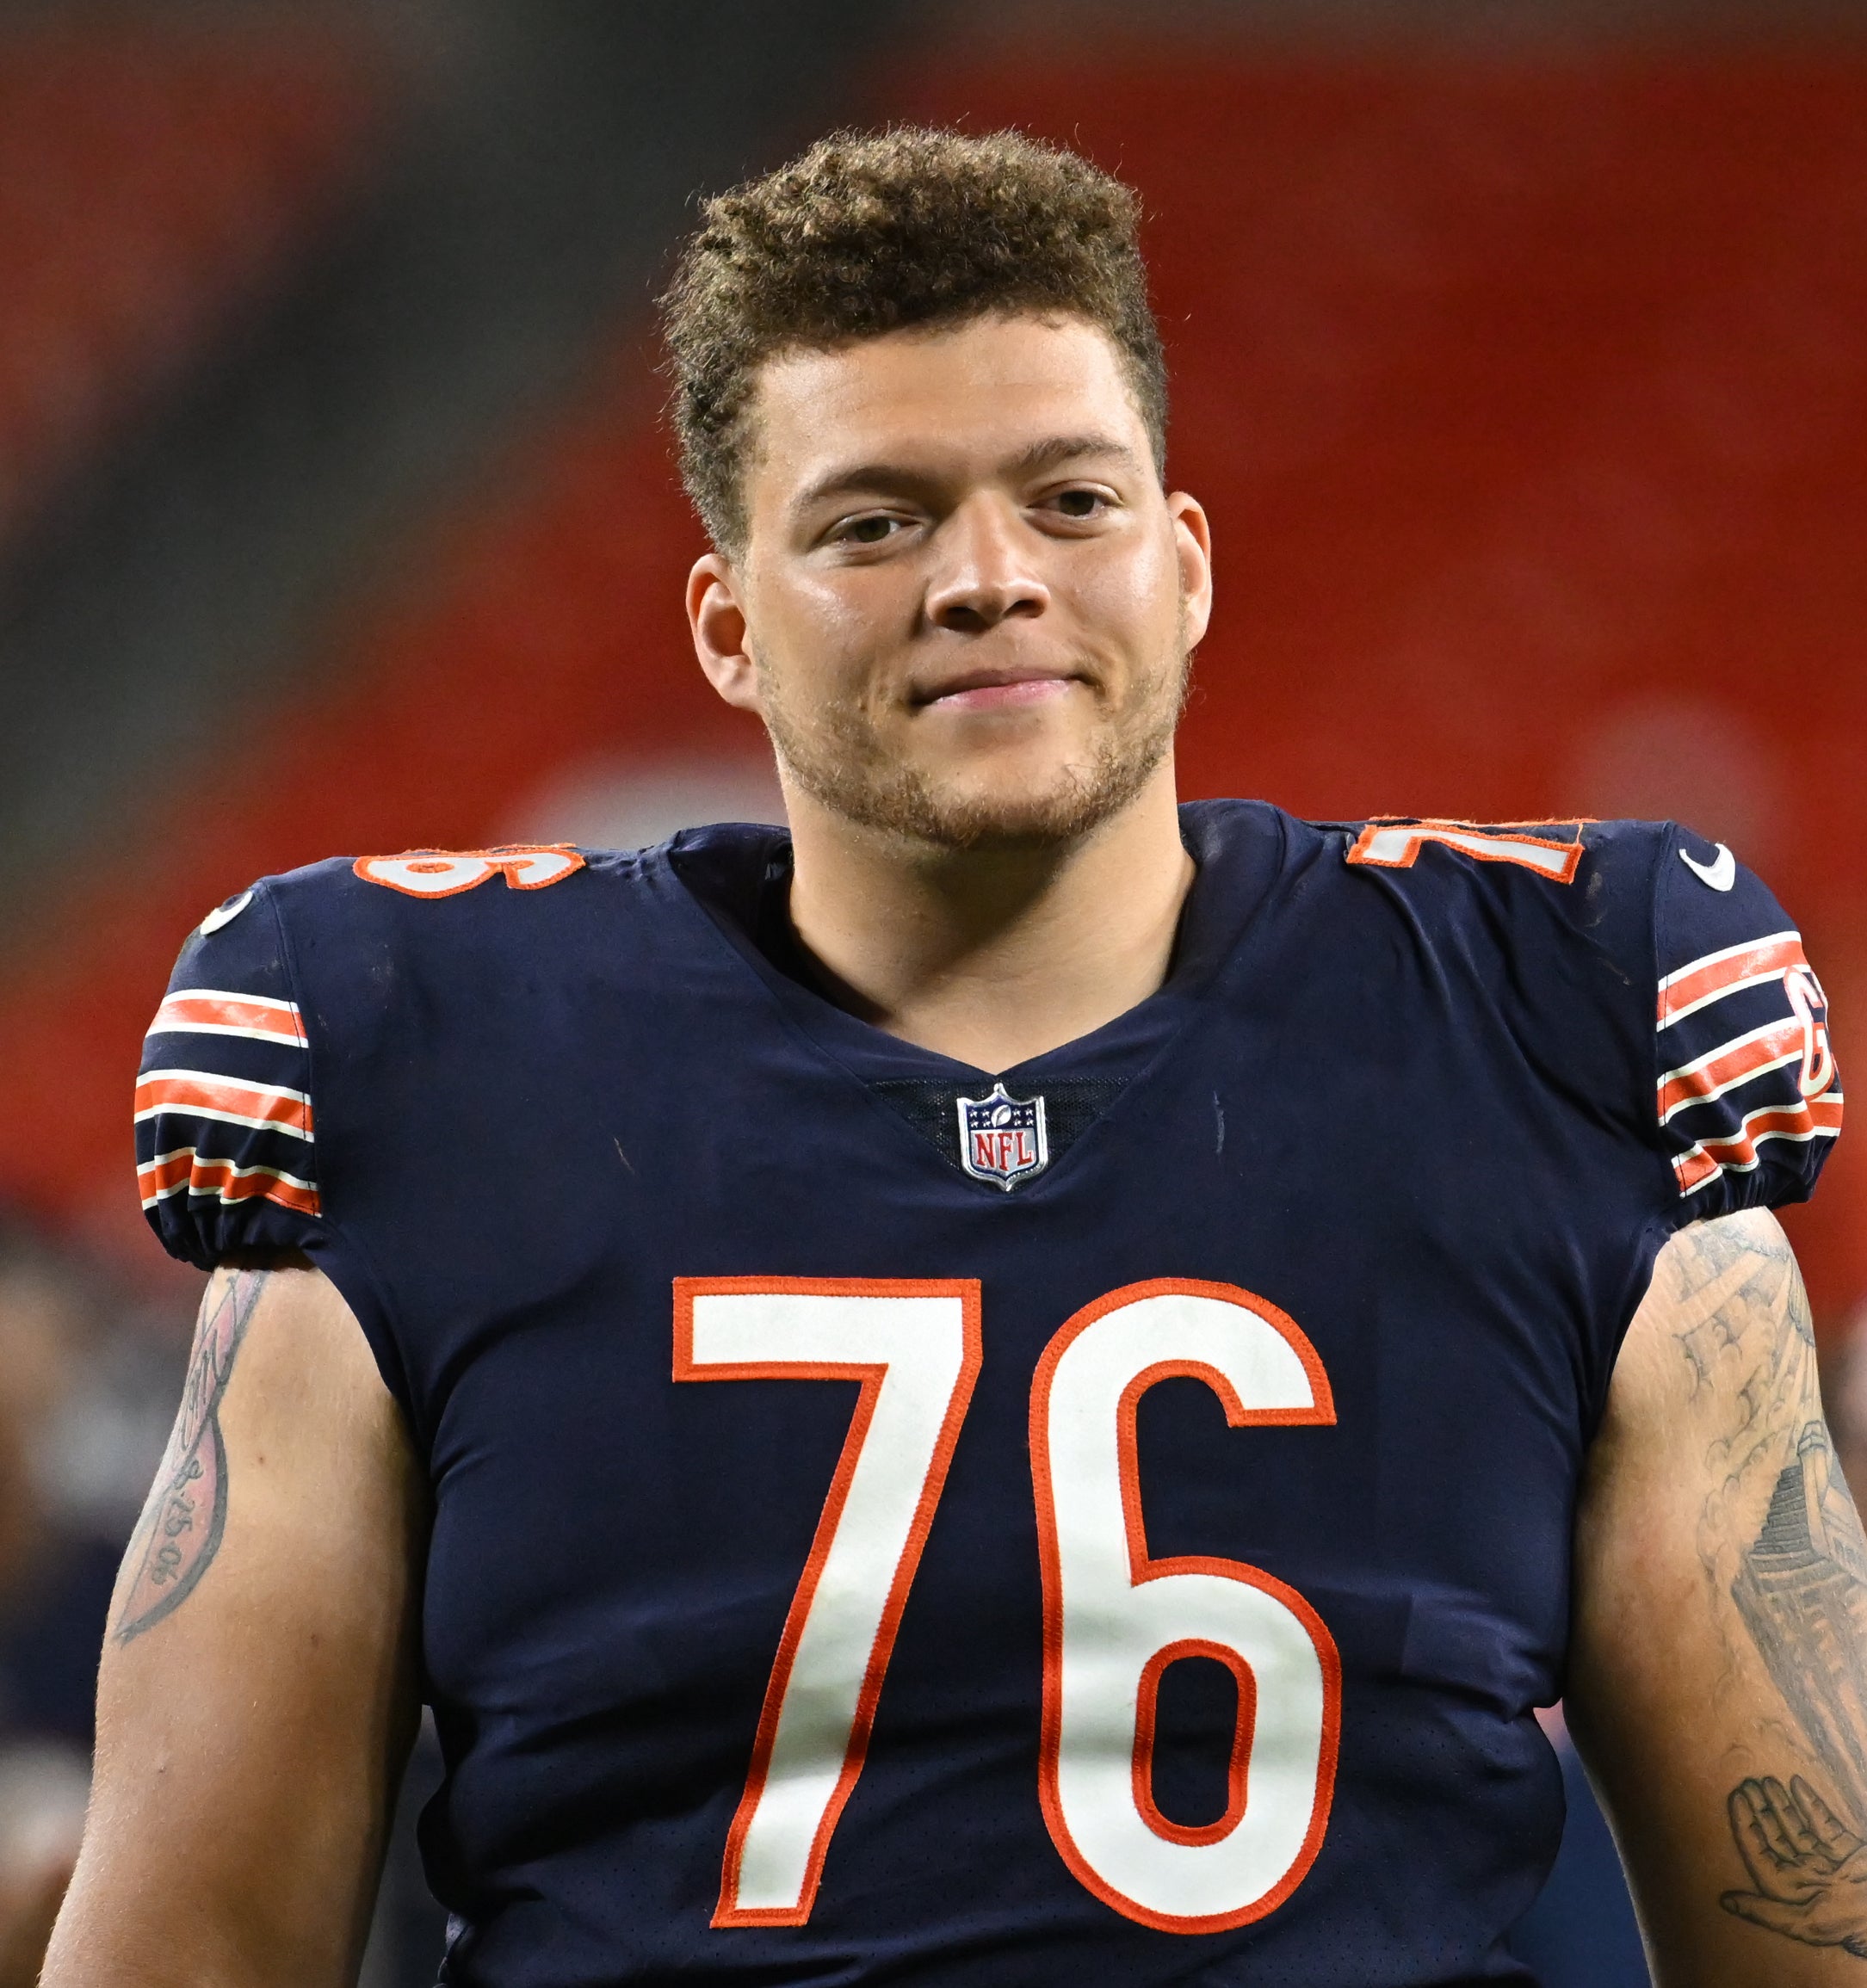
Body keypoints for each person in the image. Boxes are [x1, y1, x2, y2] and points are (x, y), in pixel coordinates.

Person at [43, 127, 1856, 1986]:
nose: (988, 577)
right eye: (874, 522)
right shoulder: (425, 1070)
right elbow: (196, 1944)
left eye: (1068, 499)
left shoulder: (1546, 1024)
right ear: (727, 627)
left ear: (1182, 561)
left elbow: (1814, 1926)